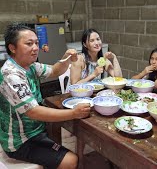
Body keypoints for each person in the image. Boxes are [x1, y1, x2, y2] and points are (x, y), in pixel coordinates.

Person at [0, 23, 91, 168]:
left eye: (36, 43)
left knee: (60, 138)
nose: (35, 48)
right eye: (29, 44)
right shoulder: (11, 74)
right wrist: (73, 113)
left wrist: (65, 57)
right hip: (20, 141)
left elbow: (54, 71)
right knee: (71, 160)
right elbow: (33, 111)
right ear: (12, 48)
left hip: (36, 131)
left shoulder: (29, 65)